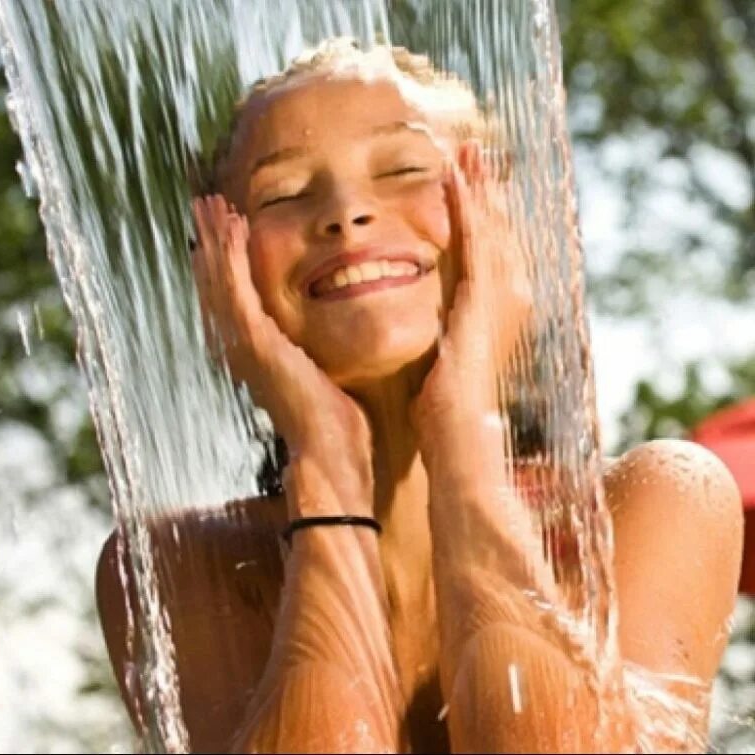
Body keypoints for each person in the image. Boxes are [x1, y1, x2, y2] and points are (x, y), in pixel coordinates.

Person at [95, 40, 743, 754]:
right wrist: (327, 460)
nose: (346, 214)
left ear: (503, 228)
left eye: (403, 170)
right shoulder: (180, 567)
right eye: (282, 195)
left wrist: (463, 435)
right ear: (223, 276)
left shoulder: (649, 504)